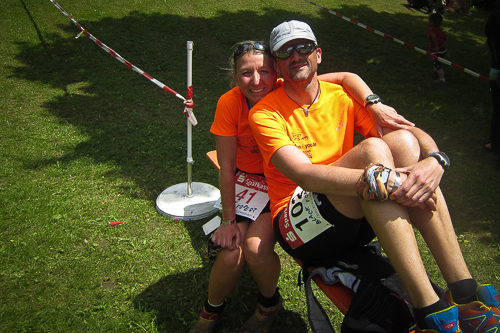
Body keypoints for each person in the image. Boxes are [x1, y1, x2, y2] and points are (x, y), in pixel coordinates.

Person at [248, 20, 500, 333]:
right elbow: (305, 176)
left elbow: (407, 130)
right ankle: (429, 311)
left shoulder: (340, 96)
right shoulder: (264, 112)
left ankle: (465, 294)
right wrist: (376, 179)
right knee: (372, 155)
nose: (296, 55)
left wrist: (436, 159)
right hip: (297, 225)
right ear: (277, 63)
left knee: (402, 144)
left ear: (319, 54)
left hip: (351, 215)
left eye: (304, 47)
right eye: (286, 51)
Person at [190, 40, 415, 333]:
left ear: (276, 73)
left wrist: (373, 101)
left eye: (264, 71)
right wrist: (228, 220)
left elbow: (343, 78)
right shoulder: (230, 103)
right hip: (251, 182)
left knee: (255, 250)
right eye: (246, 73)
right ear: (234, 77)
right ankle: (210, 313)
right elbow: (227, 166)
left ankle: (267, 307)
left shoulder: (287, 88)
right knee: (231, 252)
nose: (257, 81)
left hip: (285, 185)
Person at [485, 0, 500, 169]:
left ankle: (495, 144)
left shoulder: (494, 17)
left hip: (496, 69)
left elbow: (489, 38)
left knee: (497, 110)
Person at [428, 13, 447, 85]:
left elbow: (433, 36)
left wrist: (436, 46)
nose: (428, 22)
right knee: (438, 62)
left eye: (428, 20)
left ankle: (442, 80)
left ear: (432, 22)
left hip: (438, 51)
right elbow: (444, 37)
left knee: (438, 64)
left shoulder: (431, 31)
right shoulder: (440, 30)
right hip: (443, 50)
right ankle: (435, 71)